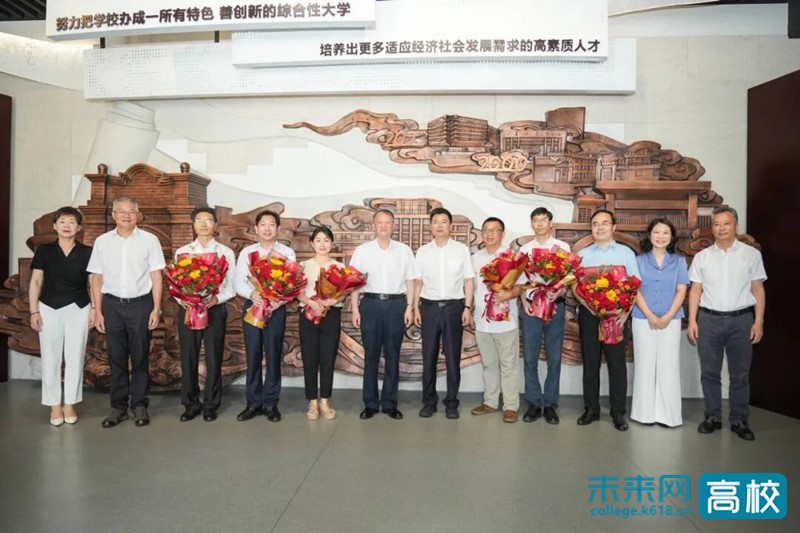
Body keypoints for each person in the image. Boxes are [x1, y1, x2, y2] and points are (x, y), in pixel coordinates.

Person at [688, 206, 766, 441]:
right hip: (709, 320)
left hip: (741, 320)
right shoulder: (702, 257)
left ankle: (739, 419)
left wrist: (759, 321)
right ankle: (713, 417)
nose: (721, 228)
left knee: (740, 374)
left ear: (736, 226)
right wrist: (692, 320)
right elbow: (695, 290)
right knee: (709, 373)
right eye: (717, 224)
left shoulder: (750, 255)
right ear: (712, 228)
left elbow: (758, 289)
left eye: (726, 223)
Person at [88, 196, 165, 428]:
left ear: (137, 215)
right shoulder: (102, 241)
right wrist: (97, 310)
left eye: (131, 211)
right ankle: (118, 407)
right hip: (111, 305)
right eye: (121, 211)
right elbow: (97, 278)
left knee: (140, 357)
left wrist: (156, 308)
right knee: (116, 357)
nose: (126, 215)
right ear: (113, 215)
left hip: (140, 305)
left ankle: (139, 404)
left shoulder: (150, 240)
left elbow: (156, 276)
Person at [574, 209, 640, 432]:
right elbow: (574, 286)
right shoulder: (583, 254)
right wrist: (586, 304)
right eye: (595, 224)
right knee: (590, 362)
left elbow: (634, 285)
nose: (599, 227)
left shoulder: (626, 253)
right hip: (590, 315)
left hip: (616, 316)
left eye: (604, 223)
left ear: (613, 227)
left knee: (617, 364)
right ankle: (591, 409)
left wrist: (625, 312)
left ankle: (618, 412)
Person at [28, 207, 95, 426]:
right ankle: (54, 405)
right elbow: (36, 281)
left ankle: (70, 404)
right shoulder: (44, 251)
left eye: (72, 222)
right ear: (55, 226)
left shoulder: (87, 252)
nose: (67, 226)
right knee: (51, 357)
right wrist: (34, 311)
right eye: (63, 221)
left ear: (79, 227)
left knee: (76, 356)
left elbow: (94, 283)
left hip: (79, 307)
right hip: (48, 307)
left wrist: (95, 308)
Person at [350, 209, 418, 421]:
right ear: (374, 225)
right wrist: (355, 309)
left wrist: (410, 306)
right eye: (380, 222)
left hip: (396, 305)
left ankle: (389, 403)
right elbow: (353, 282)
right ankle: (370, 403)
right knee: (370, 355)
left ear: (393, 225)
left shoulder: (404, 250)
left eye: (388, 222)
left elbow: (411, 280)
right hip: (370, 305)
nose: (384, 226)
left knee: (392, 355)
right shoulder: (362, 251)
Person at [174, 207, 236, 423]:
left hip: (214, 309)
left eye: (208, 220)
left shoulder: (225, 253)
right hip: (188, 310)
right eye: (199, 220)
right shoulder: (183, 252)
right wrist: (182, 299)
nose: (203, 224)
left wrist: (216, 299)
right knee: (188, 356)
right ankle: (190, 404)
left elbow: (231, 286)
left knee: (213, 356)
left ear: (215, 225)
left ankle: (211, 404)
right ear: (193, 224)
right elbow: (175, 283)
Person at [233, 209, 295, 423]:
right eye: (263, 225)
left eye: (271, 225)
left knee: (273, 355)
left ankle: (270, 403)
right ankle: (253, 403)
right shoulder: (247, 253)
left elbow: (292, 284)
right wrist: (252, 294)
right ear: (256, 228)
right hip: (253, 306)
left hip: (276, 309)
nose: (267, 229)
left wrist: (278, 301)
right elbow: (238, 282)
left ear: (278, 228)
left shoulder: (287, 253)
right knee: (253, 355)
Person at [414, 207, 475, 420]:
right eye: (435, 222)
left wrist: (467, 307)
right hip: (429, 308)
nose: (439, 226)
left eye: (444, 222)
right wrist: (415, 308)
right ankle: (429, 402)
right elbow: (418, 282)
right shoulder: (423, 252)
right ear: (431, 227)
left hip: (453, 308)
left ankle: (451, 402)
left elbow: (469, 280)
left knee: (452, 357)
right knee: (428, 356)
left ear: (450, 226)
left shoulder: (461, 250)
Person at [631, 218, 689, 427]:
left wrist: (667, 316)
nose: (661, 236)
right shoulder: (639, 260)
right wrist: (650, 315)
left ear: (671, 237)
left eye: (665, 232)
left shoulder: (679, 262)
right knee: (644, 365)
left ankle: (668, 416)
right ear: (650, 235)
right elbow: (635, 290)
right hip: (642, 318)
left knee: (668, 366)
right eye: (657, 232)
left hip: (671, 320)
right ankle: (643, 414)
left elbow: (681, 290)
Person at [518, 207, 572, 425]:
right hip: (531, 308)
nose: (539, 223)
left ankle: (550, 403)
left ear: (550, 223)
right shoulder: (525, 250)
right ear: (531, 224)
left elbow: (568, 277)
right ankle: (533, 402)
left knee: (554, 358)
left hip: (555, 306)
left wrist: (559, 291)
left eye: (543, 220)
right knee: (530, 358)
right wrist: (524, 302)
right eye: (535, 220)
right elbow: (520, 281)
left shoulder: (562, 247)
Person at [470, 217, 524, 423]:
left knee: (508, 365)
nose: (489, 234)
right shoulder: (475, 258)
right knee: (489, 364)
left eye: (494, 230)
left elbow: (521, 287)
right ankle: (490, 402)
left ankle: (510, 405)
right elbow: (471, 288)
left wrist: (508, 294)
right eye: (486, 230)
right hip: (482, 321)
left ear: (502, 233)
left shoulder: (512, 257)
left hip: (506, 322)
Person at [297, 226, 345, 420]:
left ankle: (325, 400)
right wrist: (311, 303)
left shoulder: (339, 267)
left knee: (327, 358)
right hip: (308, 314)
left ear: (331, 243)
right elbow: (296, 291)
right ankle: (312, 402)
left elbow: (344, 291)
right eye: (318, 240)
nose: (322, 244)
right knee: (309, 359)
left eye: (326, 240)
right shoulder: (303, 266)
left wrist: (332, 301)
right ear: (312, 243)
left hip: (331, 315)